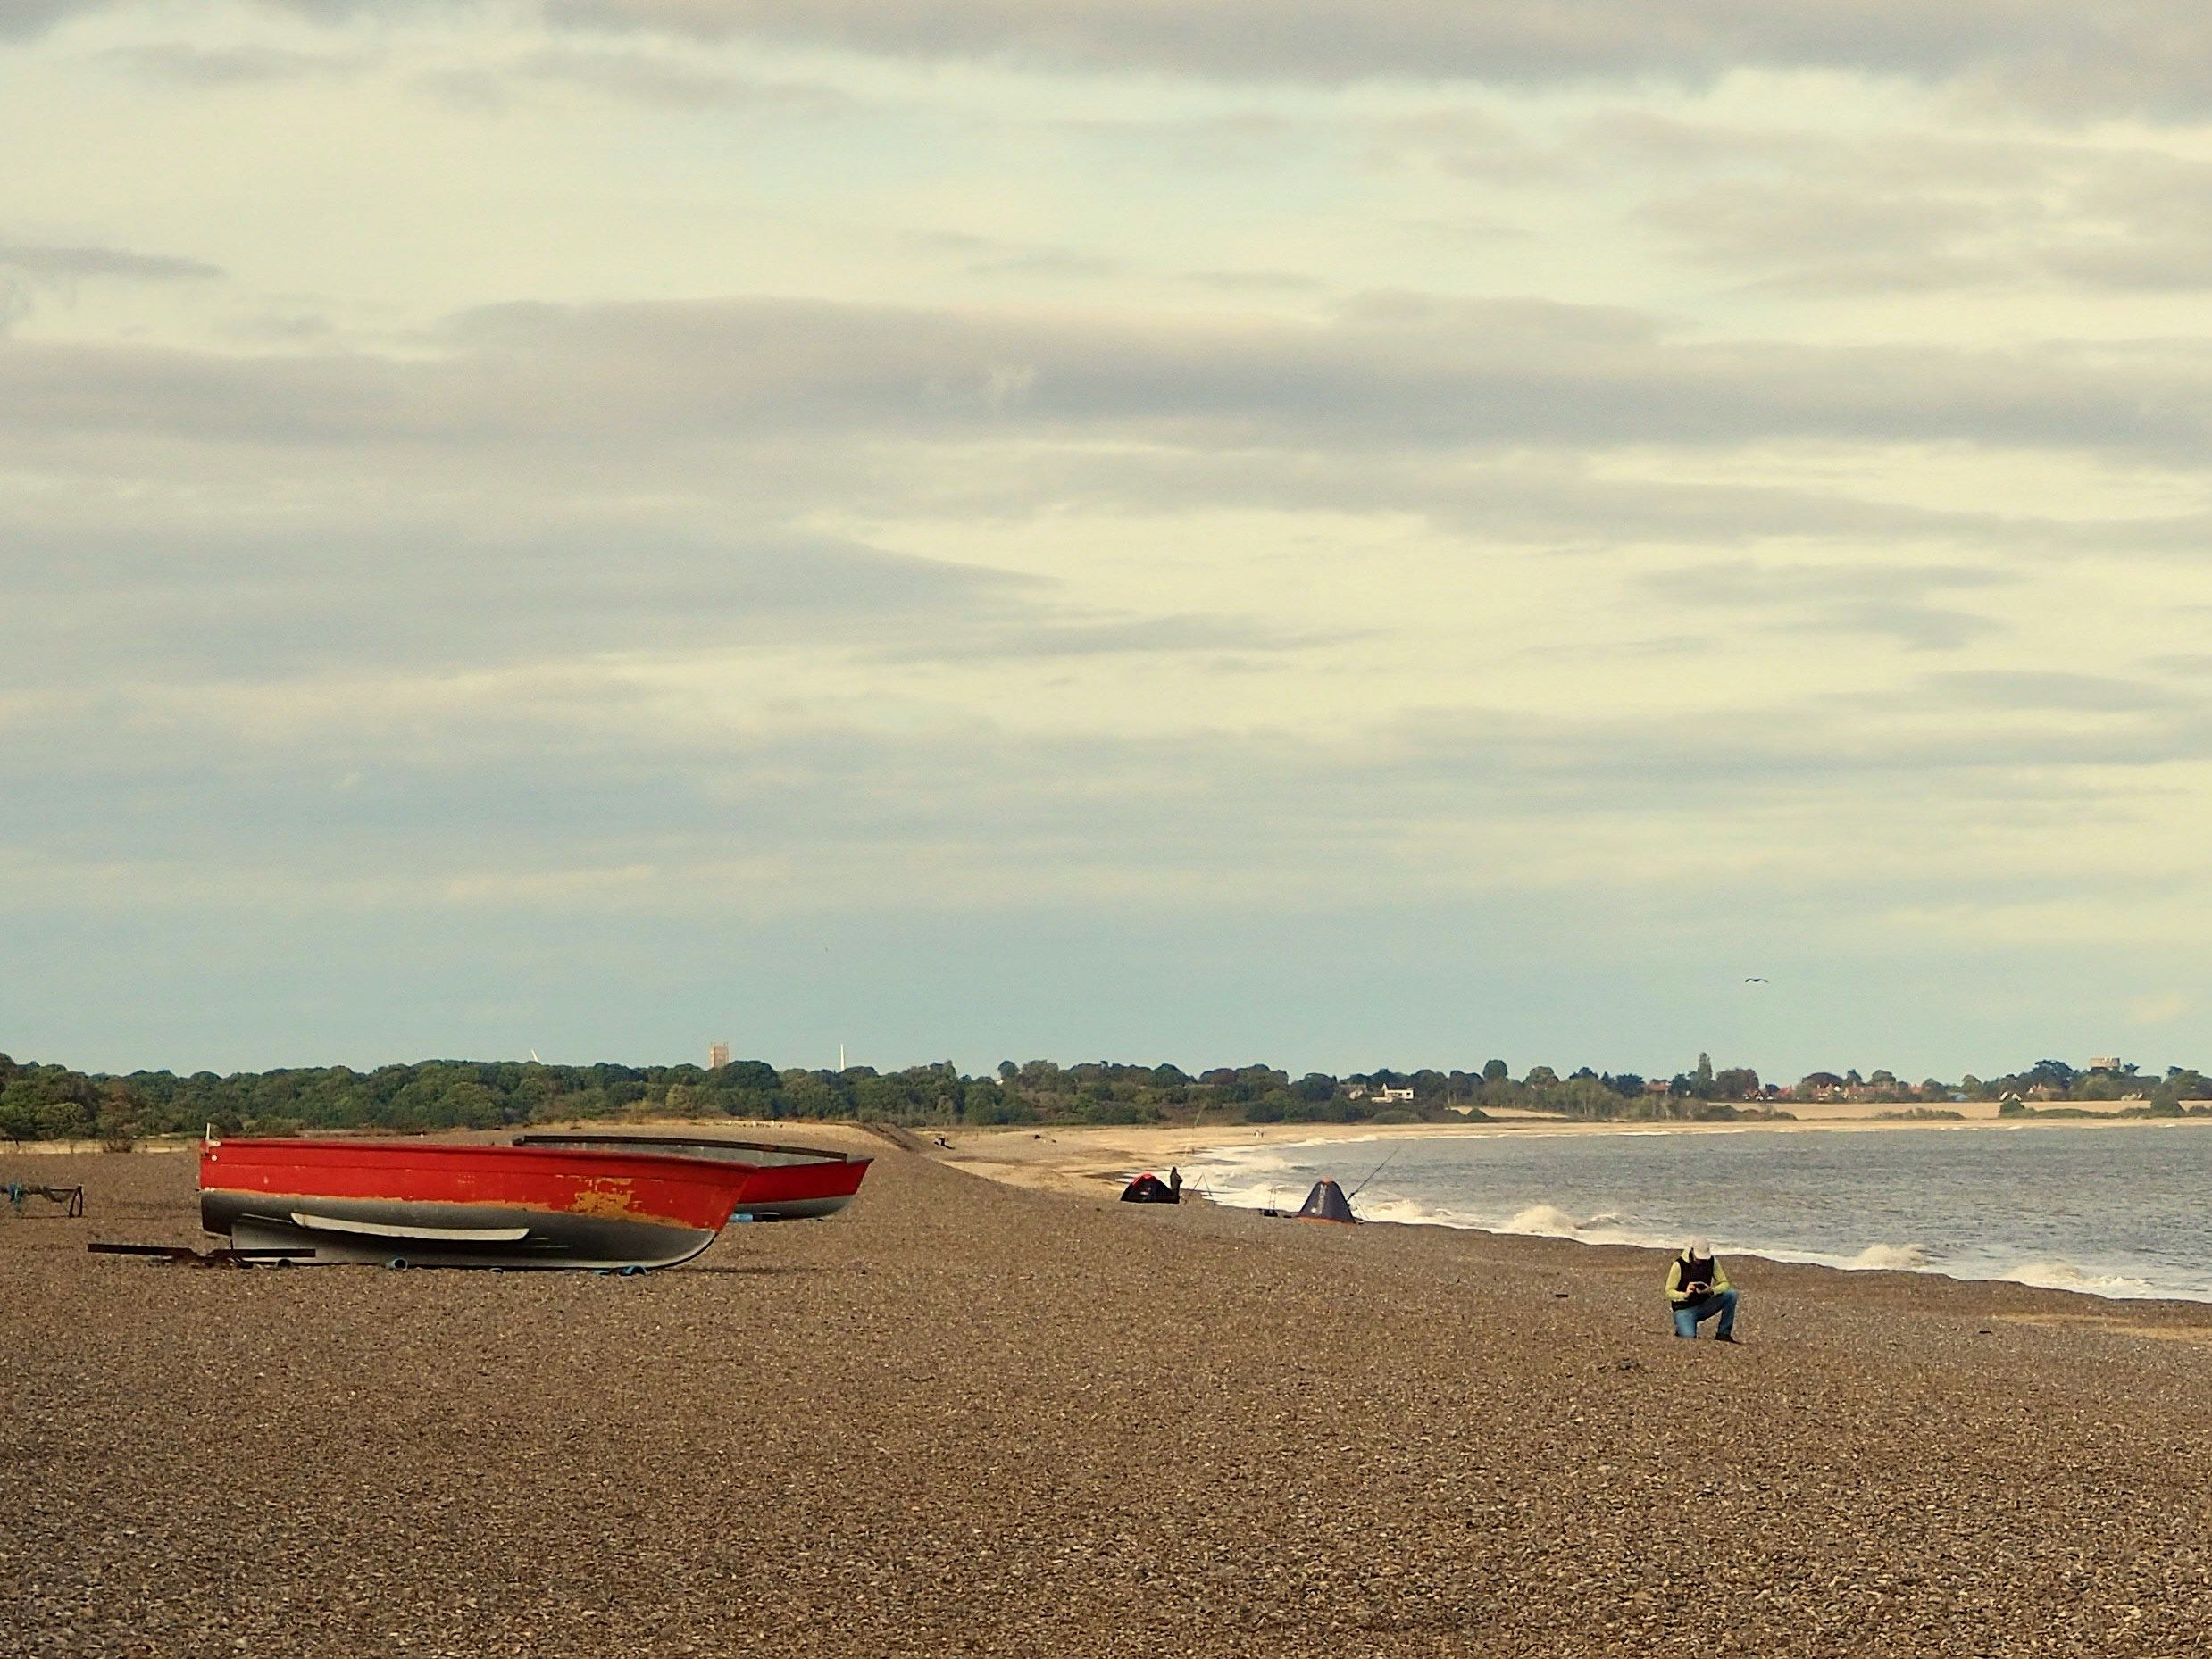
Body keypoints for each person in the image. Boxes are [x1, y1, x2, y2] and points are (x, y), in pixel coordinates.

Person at [1666, 1237, 1739, 1342]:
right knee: (1689, 1338)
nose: (1701, 1260)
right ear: (1692, 1251)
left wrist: (1711, 1290)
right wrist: (1685, 1294)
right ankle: (1681, 1327)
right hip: (1684, 1309)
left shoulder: (1712, 1262)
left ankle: (1723, 1333)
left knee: (1731, 1294)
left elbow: (1725, 1284)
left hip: (1704, 1305)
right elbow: (1669, 1292)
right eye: (1699, 1258)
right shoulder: (1679, 1265)